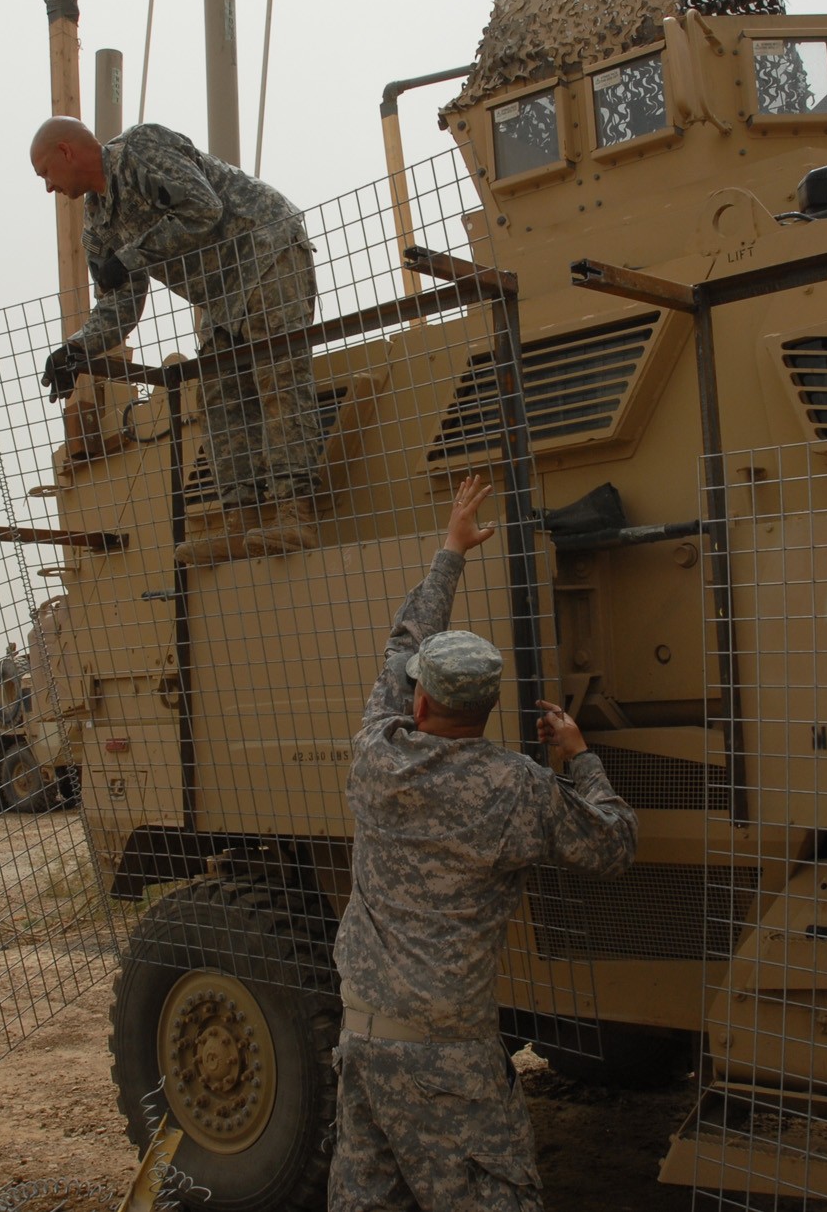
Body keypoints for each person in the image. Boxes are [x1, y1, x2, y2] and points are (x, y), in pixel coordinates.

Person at [329, 475, 638, 1211]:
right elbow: (615, 844)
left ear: (421, 701)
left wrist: (451, 552)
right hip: (447, 1060)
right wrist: (580, 756)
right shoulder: (516, 787)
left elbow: (400, 647)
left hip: (363, 1045)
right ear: (490, 706)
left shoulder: (377, 752)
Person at [29, 115, 324, 560]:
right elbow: (120, 303)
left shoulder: (140, 150)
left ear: (67, 152)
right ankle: (238, 518)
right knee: (217, 394)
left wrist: (131, 257)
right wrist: (76, 349)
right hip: (217, 292)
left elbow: (204, 208)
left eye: (45, 173)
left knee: (278, 378)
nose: (48, 188)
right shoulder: (97, 228)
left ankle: (294, 513)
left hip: (265, 249)